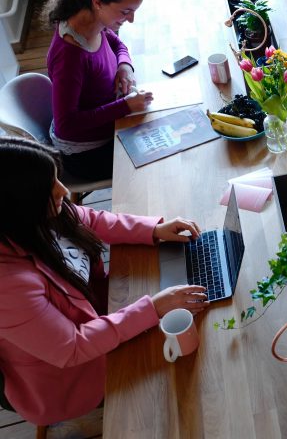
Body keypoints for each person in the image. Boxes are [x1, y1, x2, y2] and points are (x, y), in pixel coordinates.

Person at [0, 137, 208, 426]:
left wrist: (155, 230)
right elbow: (72, 347)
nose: (64, 190)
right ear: (19, 205)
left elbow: (92, 219)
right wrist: (153, 308)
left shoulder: (38, 215)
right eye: (50, 187)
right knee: (187, 385)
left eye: (57, 178)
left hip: (105, 313)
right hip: (71, 378)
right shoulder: (8, 287)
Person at [44, 0, 154, 182]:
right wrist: (124, 106)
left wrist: (124, 66)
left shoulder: (92, 20)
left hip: (108, 120)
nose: (131, 19)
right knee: (156, 161)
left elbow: (115, 42)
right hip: (85, 154)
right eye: (125, 12)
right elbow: (68, 125)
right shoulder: (70, 56)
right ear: (97, 2)